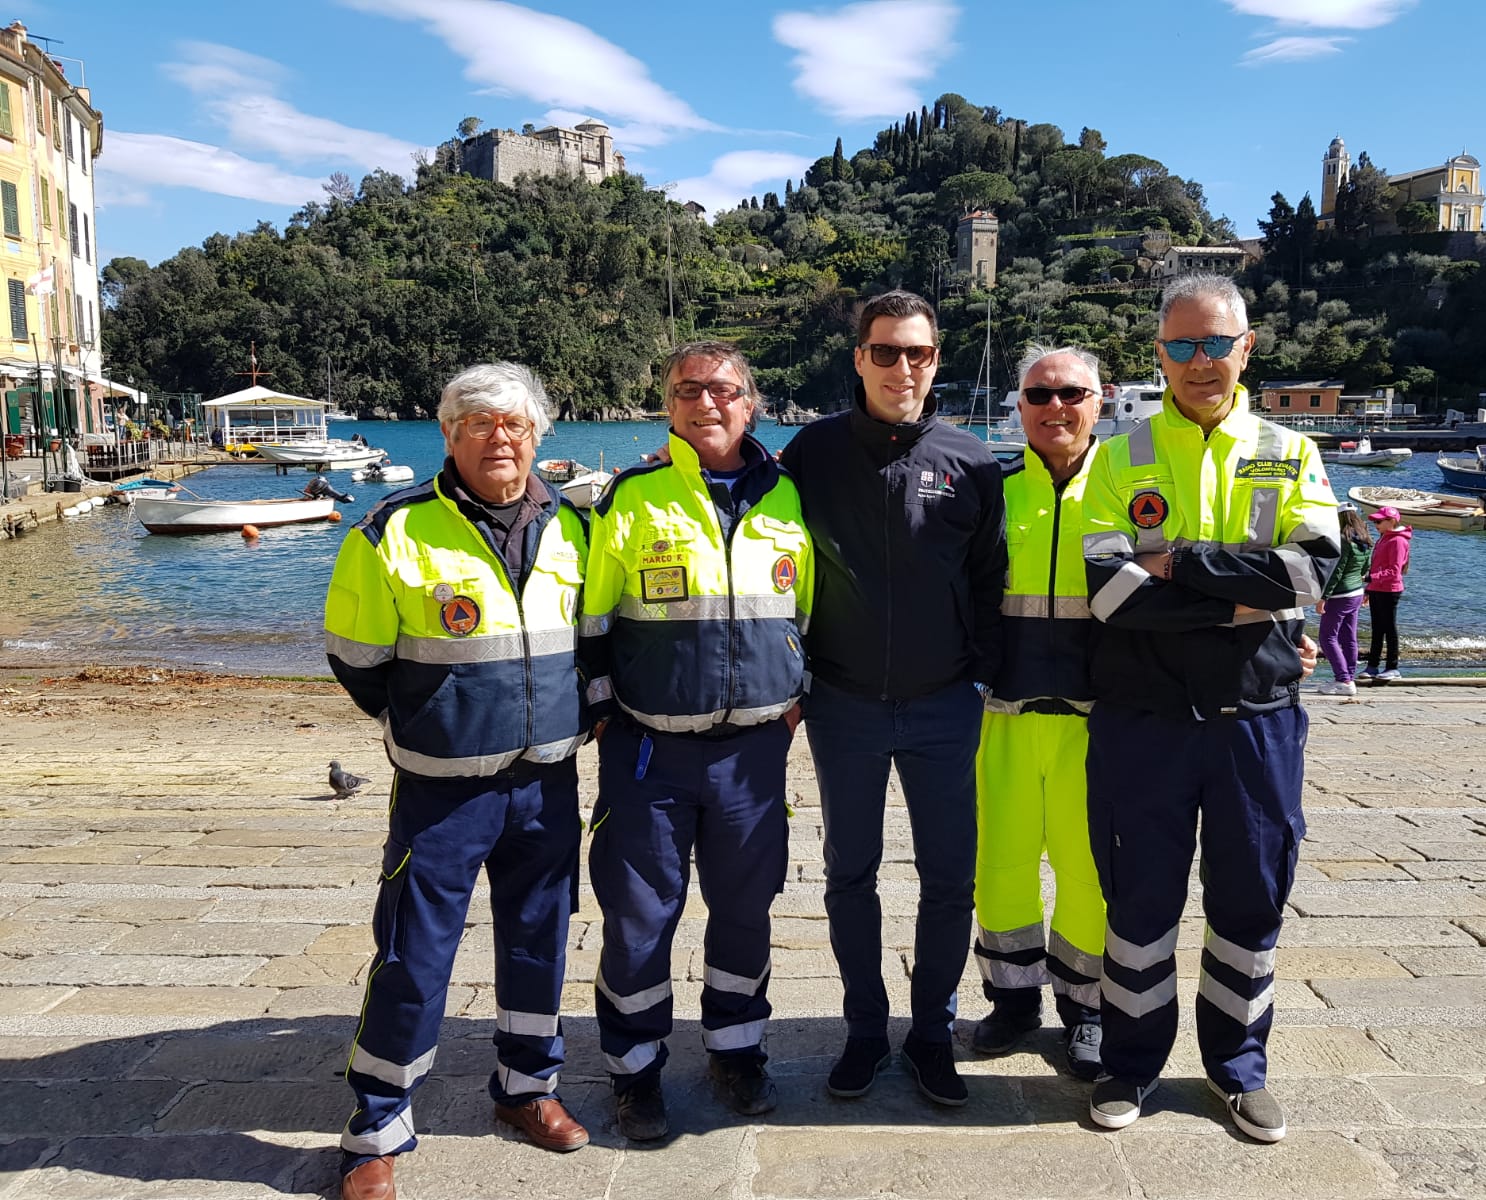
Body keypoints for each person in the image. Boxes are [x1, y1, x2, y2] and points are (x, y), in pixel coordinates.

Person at [1080, 275, 1339, 1144]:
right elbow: (1108, 595)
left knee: (1251, 900)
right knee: (1139, 905)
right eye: (1182, 346)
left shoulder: (1290, 451)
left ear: (1247, 347)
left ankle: (1238, 1068)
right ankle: (1130, 1065)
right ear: (1159, 354)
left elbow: (1310, 574)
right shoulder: (1117, 456)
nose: (1200, 362)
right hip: (1142, 723)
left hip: (1254, 719)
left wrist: (1178, 561)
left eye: (1215, 343)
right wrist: (1242, 593)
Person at [324, 363, 592, 1200]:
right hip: (443, 790)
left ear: (538, 435)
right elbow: (356, 658)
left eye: (513, 424)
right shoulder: (390, 532)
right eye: (477, 424)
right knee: (412, 956)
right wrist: (435, 718)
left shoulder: (576, 527)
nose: (498, 438)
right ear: (448, 435)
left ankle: (527, 1088)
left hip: (547, 780)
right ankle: (376, 1127)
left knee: (539, 943)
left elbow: (602, 640)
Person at [578, 341, 811, 1141]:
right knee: (640, 917)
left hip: (754, 753)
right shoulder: (631, 497)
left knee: (746, 908)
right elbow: (590, 620)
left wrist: (792, 699)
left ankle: (737, 1051)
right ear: (668, 407)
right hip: (650, 751)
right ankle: (635, 1070)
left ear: (751, 402)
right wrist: (607, 711)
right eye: (687, 391)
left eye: (721, 390)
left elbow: (807, 615)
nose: (705, 403)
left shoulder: (789, 498)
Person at [779, 290, 1007, 1108]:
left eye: (916, 352)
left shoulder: (973, 461)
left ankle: (932, 1034)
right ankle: (866, 1030)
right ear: (859, 358)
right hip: (843, 704)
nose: (901, 367)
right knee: (851, 873)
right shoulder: (810, 454)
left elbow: (990, 580)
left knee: (951, 879)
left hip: (947, 704)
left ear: (936, 359)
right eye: (885, 351)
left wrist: (979, 673)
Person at [970, 344, 1106, 1079]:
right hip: (1006, 715)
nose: (1056, 407)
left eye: (1071, 394)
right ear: (1018, 405)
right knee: (1003, 867)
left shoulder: (1124, 488)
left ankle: (1086, 1010)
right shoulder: (990, 489)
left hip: (1096, 719)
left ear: (1100, 399)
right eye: (1039, 395)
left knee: (1088, 873)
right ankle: (1012, 1000)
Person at [1316, 504, 1373, 697]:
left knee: (1327, 637)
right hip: (1356, 592)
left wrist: (1323, 596)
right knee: (1349, 637)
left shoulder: (1343, 540)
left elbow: (1337, 572)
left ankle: (1343, 679)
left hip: (1340, 595)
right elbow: (1366, 568)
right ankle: (1348, 677)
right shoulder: (1364, 539)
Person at [1362, 505, 1411, 682]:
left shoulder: (1398, 541)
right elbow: (1377, 564)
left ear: (1391, 521)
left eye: (1379, 521)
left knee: (1389, 628)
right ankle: (1372, 665)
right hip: (1376, 588)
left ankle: (1392, 667)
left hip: (1390, 590)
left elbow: (1394, 571)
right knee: (1377, 629)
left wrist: (1370, 577)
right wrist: (1369, 588)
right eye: (1374, 521)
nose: (1376, 525)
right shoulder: (1384, 538)